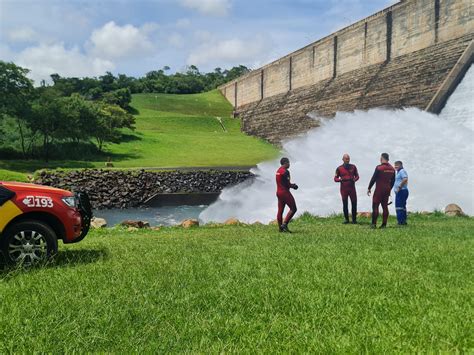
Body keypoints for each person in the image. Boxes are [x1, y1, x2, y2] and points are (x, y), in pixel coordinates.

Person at [367, 153, 395, 229]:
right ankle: (384, 224)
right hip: (387, 189)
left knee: (375, 206)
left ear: (382, 158)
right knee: (385, 206)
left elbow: (373, 179)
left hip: (379, 189)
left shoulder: (379, 168)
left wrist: (369, 187)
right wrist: (389, 188)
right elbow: (393, 181)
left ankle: (373, 224)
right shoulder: (392, 169)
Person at [334, 154, 359, 224]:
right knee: (345, 204)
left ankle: (354, 219)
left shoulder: (353, 167)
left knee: (354, 203)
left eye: (348, 159)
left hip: (352, 189)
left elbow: (357, 176)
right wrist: (340, 180)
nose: (347, 160)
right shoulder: (339, 168)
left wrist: (354, 180)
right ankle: (346, 219)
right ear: (343, 159)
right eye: (346, 159)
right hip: (344, 189)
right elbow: (335, 179)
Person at [276, 157, 298, 233]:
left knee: (280, 210)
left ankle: (280, 228)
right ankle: (284, 224)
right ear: (285, 163)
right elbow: (288, 184)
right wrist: (294, 186)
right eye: (288, 163)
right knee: (293, 209)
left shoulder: (278, 171)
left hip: (278, 192)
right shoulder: (286, 172)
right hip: (284, 192)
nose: (289, 164)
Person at [393, 161, 409, 226]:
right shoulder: (398, 172)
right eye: (395, 165)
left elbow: (405, 179)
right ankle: (403, 221)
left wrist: (399, 187)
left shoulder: (402, 171)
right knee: (402, 207)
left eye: (397, 165)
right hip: (401, 191)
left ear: (400, 165)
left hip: (401, 191)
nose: (395, 167)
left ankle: (400, 222)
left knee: (399, 207)